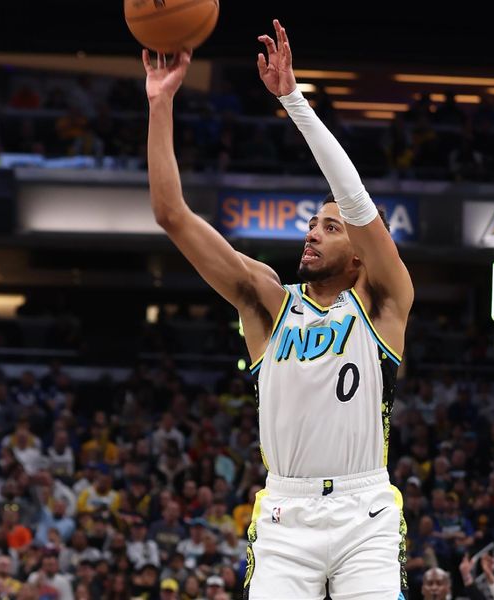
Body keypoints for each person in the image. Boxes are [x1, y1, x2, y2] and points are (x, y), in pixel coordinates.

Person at [143, 18, 413, 600]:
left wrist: (292, 100)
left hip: (364, 512)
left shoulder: (383, 302)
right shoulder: (266, 301)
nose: (312, 233)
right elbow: (171, 215)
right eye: (312, 223)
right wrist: (160, 104)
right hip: (285, 515)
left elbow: (357, 198)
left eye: (330, 226)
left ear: (361, 255)